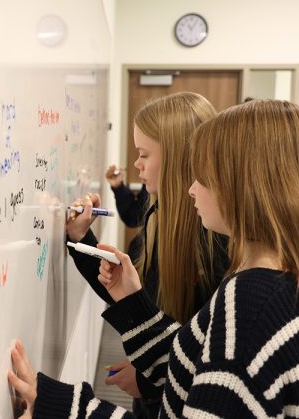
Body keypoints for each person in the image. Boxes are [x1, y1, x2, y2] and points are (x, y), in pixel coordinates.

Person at [8, 99, 299, 418]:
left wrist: (69, 409)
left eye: (203, 176)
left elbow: (220, 368)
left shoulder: (251, 307)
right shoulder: (282, 282)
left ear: (243, 187)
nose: (192, 187)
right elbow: (196, 364)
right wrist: (132, 301)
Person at [65, 92, 226, 418]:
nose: (136, 164)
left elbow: (209, 360)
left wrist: (150, 380)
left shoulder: (215, 242)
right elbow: (125, 293)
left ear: (177, 158)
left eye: (143, 154)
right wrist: (81, 237)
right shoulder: (157, 216)